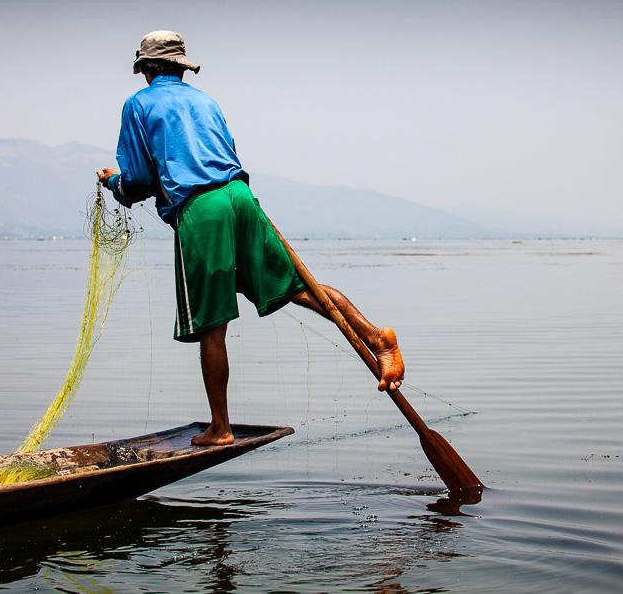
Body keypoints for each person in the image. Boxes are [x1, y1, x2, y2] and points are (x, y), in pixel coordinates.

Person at [97, 31, 404, 446]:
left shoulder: (139, 104)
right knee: (297, 286)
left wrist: (115, 184)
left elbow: (139, 180)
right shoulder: (207, 101)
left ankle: (220, 428)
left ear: (146, 69)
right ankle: (375, 336)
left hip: (201, 210)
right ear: (182, 68)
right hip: (240, 197)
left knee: (211, 324)